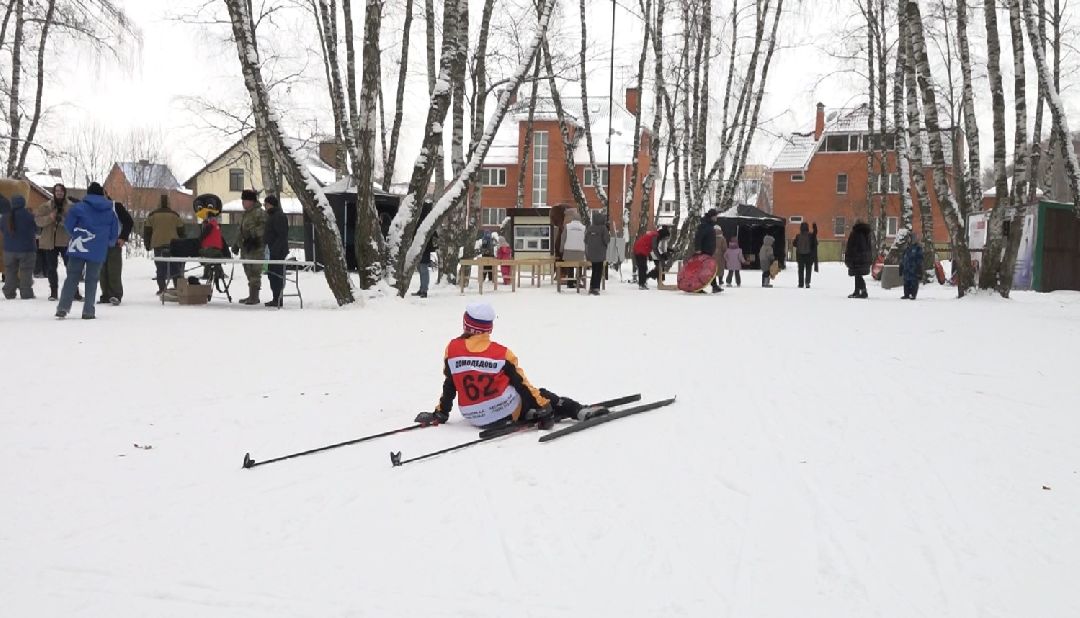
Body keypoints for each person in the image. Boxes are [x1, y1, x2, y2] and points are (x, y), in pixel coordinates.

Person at [413, 302, 609, 431]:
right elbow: (523, 385)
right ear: (489, 328)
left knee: (521, 394)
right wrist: (545, 407)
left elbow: (450, 384)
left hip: (472, 416)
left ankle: (531, 411)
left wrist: (441, 413)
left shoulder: (452, 349)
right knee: (541, 394)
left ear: (466, 325)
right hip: (503, 413)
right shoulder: (501, 353)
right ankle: (577, 410)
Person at [55, 182, 119, 320]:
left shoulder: (78, 208)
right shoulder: (110, 212)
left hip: (79, 246)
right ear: (101, 194)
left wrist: (75, 235)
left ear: (88, 193)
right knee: (92, 279)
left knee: (72, 277)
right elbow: (115, 232)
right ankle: (88, 311)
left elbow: (68, 225)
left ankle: (63, 308)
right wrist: (107, 243)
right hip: (98, 249)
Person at [34, 183, 78, 301]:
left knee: (70, 267)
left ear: (64, 192)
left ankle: (75, 292)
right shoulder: (45, 206)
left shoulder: (71, 207)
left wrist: (62, 220)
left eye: (61, 191)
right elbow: (38, 221)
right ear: (54, 192)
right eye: (57, 191)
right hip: (50, 241)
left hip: (65, 241)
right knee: (51, 268)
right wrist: (50, 217)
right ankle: (53, 292)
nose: (59, 193)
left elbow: (76, 222)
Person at [143, 195, 185, 294]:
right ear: (169, 203)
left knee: (160, 267)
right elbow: (181, 231)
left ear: (158, 203)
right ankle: (178, 288)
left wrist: (147, 245)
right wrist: (182, 244)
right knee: (175, 267)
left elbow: (147, 232)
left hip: (158, 244)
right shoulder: (175, 215)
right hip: (173, 244)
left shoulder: (152, 215)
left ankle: (162, 288)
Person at [232, 189, 267, 305]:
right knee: (248, 271)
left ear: (252, 201)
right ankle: (251, 295)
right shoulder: (245, 214)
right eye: (242, 200)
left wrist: (253, 237)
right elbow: (240, 230)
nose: (243, 203)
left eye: (245, 200)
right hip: (245, 248)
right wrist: (236, 244)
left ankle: (254, 297)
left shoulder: (259, 213)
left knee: (255, 272)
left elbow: (263, 228)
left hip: (256, 247)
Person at [98, 199, 133, 305]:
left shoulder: (115, 206)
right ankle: (106, 295)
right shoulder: (94, 207)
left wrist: (123, 237)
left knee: (114, 270)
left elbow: (128, 221)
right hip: (99, 243)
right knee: (102, 271)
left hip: (114, 243)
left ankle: (116, 295)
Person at [1, 195, 36, 299]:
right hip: (27, 250)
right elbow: (37, 229)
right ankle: (26, 293)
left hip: (8, 250)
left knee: (10, 271)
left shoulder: (5, 216)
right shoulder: (29, 216)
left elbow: (2, 229)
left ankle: (9, 292)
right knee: (26, 272)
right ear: (23, 203)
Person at [263, 194, 289, 308]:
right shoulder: (272, 216)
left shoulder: (278, 216)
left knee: (276, 275)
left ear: (271, 204)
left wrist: (274, 250)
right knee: (272, 275)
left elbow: (282, 235)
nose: (265, 206)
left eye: (266, 204)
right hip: (272, 251)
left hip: (277, 252)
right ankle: (276, 298)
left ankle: (278, 299)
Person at [693, 208, 722, 293]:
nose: (716, 218)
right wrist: (698, 249)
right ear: (712, 216)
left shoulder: (709, 225)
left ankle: (714, 286)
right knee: (702, 270)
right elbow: (698, 237)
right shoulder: (704, 225)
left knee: (710, 269)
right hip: (703, 251)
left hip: (708, 252)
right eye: (716, 216)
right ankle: (698, 288)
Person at [845, 220, 874, 299]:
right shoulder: (865, 233)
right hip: (864, 257)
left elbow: (855, 246)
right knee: (857, 274)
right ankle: (857, 291)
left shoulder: (857, 233)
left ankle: (863, 291)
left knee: (857, 274)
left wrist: (851, 255)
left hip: (857, 257)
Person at [585, 211, 610, 295]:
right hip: (600, 253)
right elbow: (607, 240)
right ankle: (596, 288)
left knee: (594, 270)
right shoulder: (603, 228)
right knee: (598, 271)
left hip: (591, 253)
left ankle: (592, 287)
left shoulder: (590, 228)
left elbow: (585, 240)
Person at [561, 209, 586, 288]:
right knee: (579, 265)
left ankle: (570, 282)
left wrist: (561, 249)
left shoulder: (567, 226)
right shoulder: (584, 228)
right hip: (580, 252)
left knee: (570, 266)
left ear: (572, 218)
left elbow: (563, 238)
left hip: (568, 252)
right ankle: (578, 280)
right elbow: (586, 241)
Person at [900, 231, 924, 300]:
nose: (908, 239)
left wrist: (919, 268)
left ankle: (913, 294)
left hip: (914, 269)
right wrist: (901, 266)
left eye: (909, 238)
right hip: (906, 269)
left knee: (913, 282)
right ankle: (906, 294)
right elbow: (903, 258)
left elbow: (920, 258)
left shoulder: (917, 248)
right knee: (906, 282)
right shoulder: (906, 248)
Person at [792, 221, 816, 289]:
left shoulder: (798, 236)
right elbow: (814, 244)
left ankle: (801, 284)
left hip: (800, 256)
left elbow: (794, 244)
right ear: (807, 228)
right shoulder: (810, 235)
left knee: (800, 270)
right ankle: (807, 283)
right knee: (808, 270)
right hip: (809, 255)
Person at [413, 230, 438, 298]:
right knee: (421, 269)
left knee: (423, 268)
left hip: (425, 248)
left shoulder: (426, 225)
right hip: (420, 247)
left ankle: (424, 290)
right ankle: (422, 289)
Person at [713, 224, 728, 291]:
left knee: (713, 268)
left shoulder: (711, 237)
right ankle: (720, 280)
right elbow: (724, 248)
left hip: (712, 255)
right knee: (720, 268)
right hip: (720, 255)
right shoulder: (722, 238)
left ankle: (713, 281)